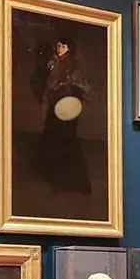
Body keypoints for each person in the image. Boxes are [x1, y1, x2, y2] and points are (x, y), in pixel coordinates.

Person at [31, 36, 94, 195]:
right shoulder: (51, 64)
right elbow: (46, 87)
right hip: (55, 109)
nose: (60, 48)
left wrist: (67, 87)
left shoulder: (72, 66)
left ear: (69, 49)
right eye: (59, 45)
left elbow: (83, 87)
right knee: (54, 142)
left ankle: (72, 183)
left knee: (66, 143)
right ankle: (56, 180)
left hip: (68, 110)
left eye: (64, 46)